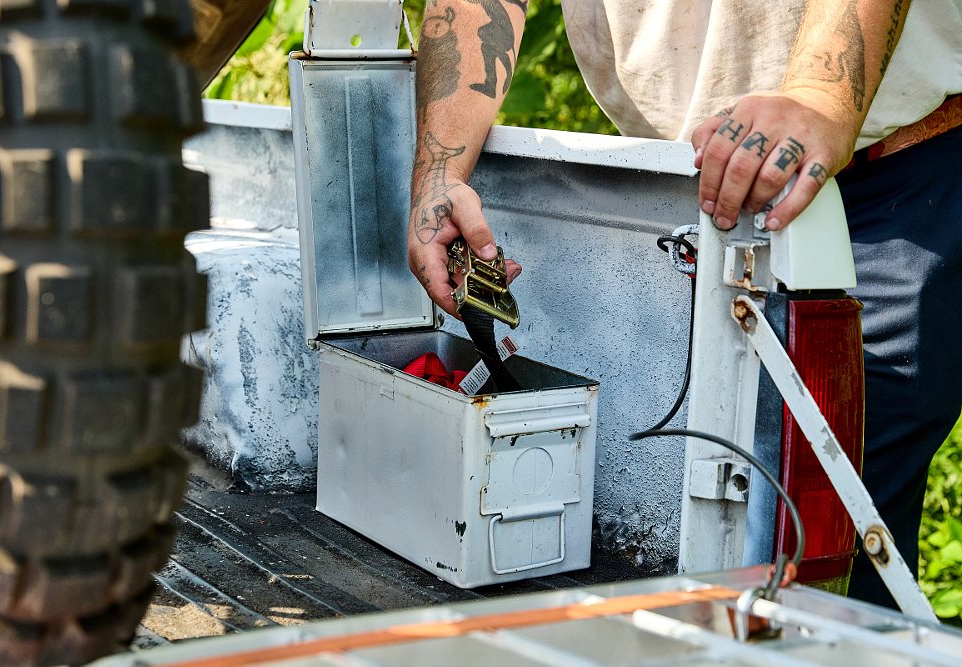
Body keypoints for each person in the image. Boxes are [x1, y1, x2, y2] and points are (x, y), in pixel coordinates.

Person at [408, 0, 962, 609]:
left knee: (819, 569)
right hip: (676, 187)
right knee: (679, 525)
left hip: (886, 186)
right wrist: (441, 173)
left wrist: (819, 96)